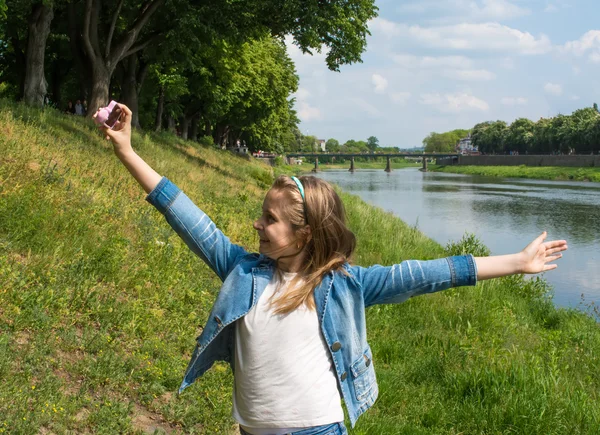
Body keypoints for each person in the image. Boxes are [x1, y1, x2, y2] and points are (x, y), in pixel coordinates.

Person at [96, 103, 568, 435]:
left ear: (304, 235)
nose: (256, 224)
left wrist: (517, 263)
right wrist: (126, 152)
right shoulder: (242, 270)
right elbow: (185, 216)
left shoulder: (344, 285)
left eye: (270, 219)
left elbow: (428, 273)